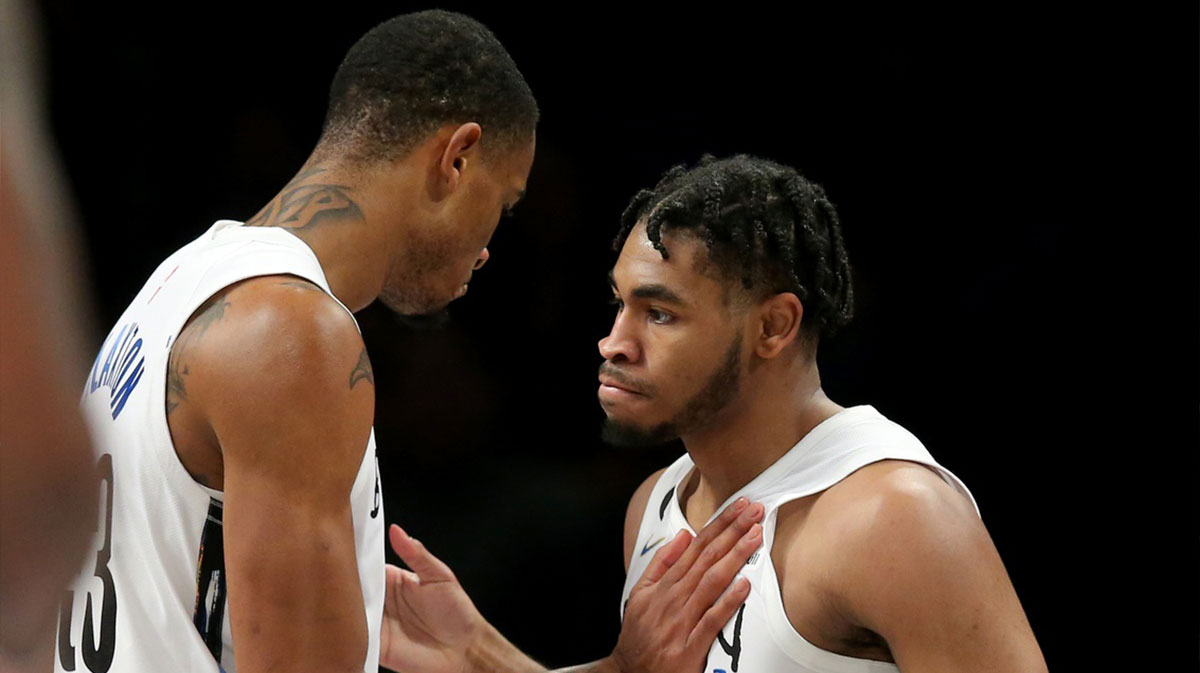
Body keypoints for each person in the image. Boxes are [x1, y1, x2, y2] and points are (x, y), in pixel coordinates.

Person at [54, 11, 760, 673]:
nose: (488, 249)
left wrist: (495, 658)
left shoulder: (180, 281)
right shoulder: (294, 336)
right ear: (457, 158)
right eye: (503, 203)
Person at [598, 155, 1050, 671]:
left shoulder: (896, 517)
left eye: (659, 314)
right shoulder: (652, 505)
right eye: (618, 304)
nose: (614, 343)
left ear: (772, 327)